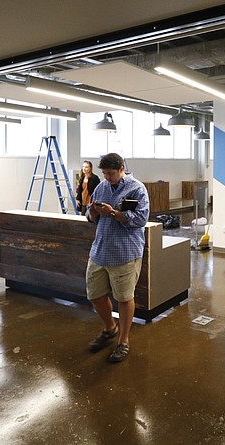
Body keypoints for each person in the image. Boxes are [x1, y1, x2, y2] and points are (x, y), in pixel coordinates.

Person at [85, 153, 150, 363]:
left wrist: (113, 213)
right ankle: (109, 328)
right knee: (94, 294)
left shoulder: (137, 189)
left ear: (122, 168)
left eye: (111, 173)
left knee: (123, 297)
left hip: (125, 252)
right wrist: (94, 213)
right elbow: (89, 216)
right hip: (100, 250)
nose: (107, 177)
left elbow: (141, 219)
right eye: (104, 173)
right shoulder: (101, 187)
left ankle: (123, 340)